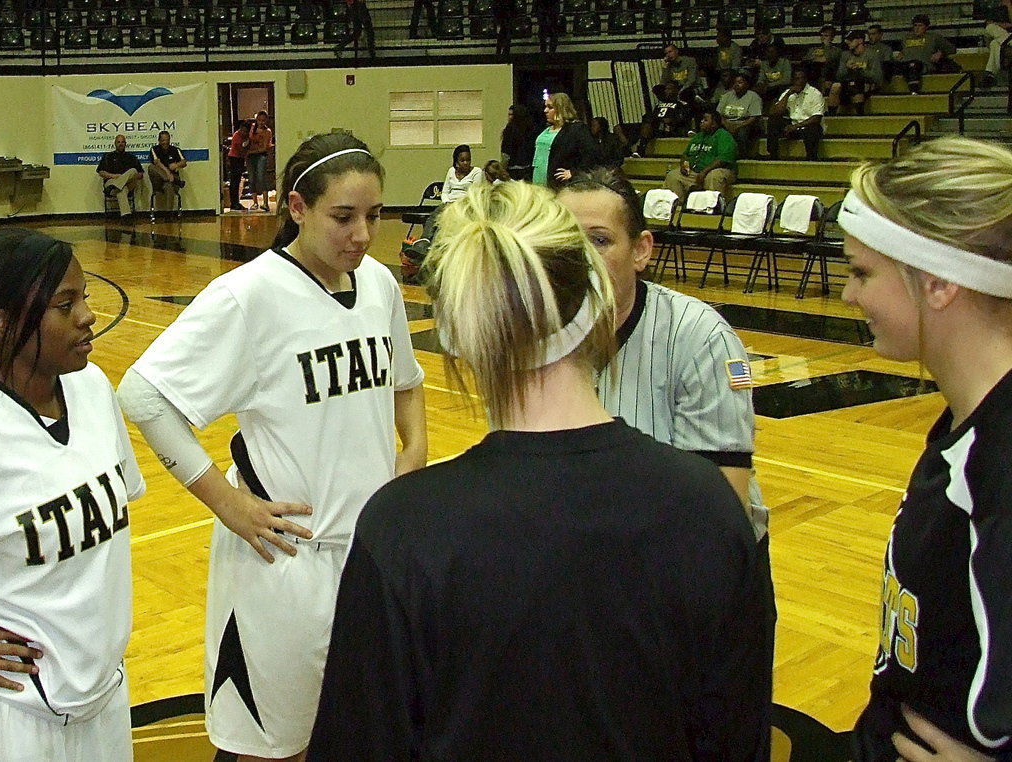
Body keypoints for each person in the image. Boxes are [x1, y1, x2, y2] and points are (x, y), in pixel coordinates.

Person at [307, 179, 773, 761]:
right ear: (595, 300)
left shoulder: (403, 528)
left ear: (464, 339)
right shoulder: (708, 509)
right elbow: (735, 739)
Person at [118, 132, 427, 762]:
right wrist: (226, 503)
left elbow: (408, 382)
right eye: (344, 217)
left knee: (352, 738)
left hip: (367, 559)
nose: (363, 235)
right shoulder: (249, 296)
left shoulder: (378, 287)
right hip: (284, 564)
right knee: (263, 748)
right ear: (296, 209)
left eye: (373, 216)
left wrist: (414, 452)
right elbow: (144, 396)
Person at [0, 228, 145, 761]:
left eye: (85, 296)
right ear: (2, 324)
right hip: (11, 718)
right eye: (65, 304)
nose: (88, 315)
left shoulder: (92, 390)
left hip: (106, 701)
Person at [841, 136, 1012, 761]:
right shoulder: (967, 421)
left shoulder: (1003, 459)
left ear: (940, 281)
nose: (847, 295)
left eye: (862, 273)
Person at [558, 168, 773, 543]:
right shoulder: (537, 337)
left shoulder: (700, 337)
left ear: (641, 249)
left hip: (694, 560)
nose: (582, 258)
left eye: (599, 240)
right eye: (566, 241)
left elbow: (722, 506)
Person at [663, 109, 737, 199]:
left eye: (705, 120)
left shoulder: (724, 136)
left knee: (713, 176)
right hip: (696, 172)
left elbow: (723, 160)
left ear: (714, 124)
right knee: (673, 176)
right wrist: (684, 166)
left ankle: (713, 207)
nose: (701, 121)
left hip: (719, 171)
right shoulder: (698, 136)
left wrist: (704, 172)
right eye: (702, 119)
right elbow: (685, 155)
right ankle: (677, 206)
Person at [533, 91, 598, 189]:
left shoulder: (576, 129)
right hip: (538, 179)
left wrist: (574, 172)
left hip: (557, 183)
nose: (545, 111)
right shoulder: (547, 129)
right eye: (545, 107)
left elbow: (592, 153)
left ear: (561, 109)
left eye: (550, 107)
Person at [767, 69, 825, 160]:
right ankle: (773, 155)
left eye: (801, 78)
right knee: (773, 121)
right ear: (792, 81)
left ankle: (811, 159)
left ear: (806, 79)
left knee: (812, 130)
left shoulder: (815, 94)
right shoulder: (789, 92)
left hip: (809, 126)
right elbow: (775, 112)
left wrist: (797, 126)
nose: (799, 81)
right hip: (793, 126)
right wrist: (787, 95)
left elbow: (816, 118)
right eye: (796, 79)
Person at [893, 15, 959, 94]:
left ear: (926, 27)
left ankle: (914, 91)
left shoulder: (933, 37)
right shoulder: (906, 38)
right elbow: (904, 51)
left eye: (920, 25)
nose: (917, 28)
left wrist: (941, 53)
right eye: (915, 25)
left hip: (923, 66)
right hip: (906, 65)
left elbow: (951, 48)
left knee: (914, 65)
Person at [829, 30, 885, 115]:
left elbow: (877, 77)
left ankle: (860, 114)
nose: (847, 42)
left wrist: (859, 70)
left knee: (856, 84)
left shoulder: (872, 54)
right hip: (847, 84)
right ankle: (831, 116)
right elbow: (839, 76)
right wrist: (847, 68)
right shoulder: (845, 55)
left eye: (851, 40)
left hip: (866, 84)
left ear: (860, 40)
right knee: (835, 86)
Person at [631, 80, 692, 158]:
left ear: (676, 90)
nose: (667, 91)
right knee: (647, 119)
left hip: (669, 128)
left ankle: (641, 149)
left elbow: (683, 119)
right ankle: (635, 147)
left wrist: (671, 120)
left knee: (649, 124)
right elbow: (654, 115)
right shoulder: (659, 104)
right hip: (657, 126)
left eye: (670, 89)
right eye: (666, 89)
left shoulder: (681, 104)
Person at [96, 134, 143, 219]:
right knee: (122, 189)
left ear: (125, 143)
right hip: (111, 181)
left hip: (127, 184)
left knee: (133, 170)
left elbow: (140, 174)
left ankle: (116, 185)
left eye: (123, 142)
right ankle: (126, 215)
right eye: (118, 142)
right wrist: (114, 176)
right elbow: (101, 172)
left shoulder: (131, 157)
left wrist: (127, 177)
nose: (121, 144)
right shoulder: (108, 156)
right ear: (115, 143)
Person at [718, 71, 764, 156]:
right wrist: (726, 125)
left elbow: (754, 117)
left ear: (747, 84)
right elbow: (719, 114)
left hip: (746, 124)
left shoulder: (754, 97)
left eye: (740, 82)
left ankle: (743, 156)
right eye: (735, 83)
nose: (736, 85)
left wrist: (738, 126)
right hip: (727, 124)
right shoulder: (727, 96)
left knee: (742, 132)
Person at [149, 130, 188, 214]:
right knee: (151, 167)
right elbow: (157, 162)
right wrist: (168, 173)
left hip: (170, 181)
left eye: (167, 140)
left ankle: (168, 214)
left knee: (169, 186)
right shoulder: (154, 149)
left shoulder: (175, 150)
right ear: (159, 141)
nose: (165, 142)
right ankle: (176, 181)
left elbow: (184, 162)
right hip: (158, 180)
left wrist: (176, 165)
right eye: (163, 140)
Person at [500, 103, 536, 181]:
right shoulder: (530, 130)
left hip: (513, 170)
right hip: (527, 169)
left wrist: (502, 169)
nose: (509, 117)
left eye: (511, 114)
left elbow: (506, 153)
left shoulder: (510, 129)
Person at [247, 111, 274, 212]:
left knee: (261, 177)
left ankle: (265, 203)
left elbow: (265, 148)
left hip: (260, 156)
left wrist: (253, 151)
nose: (261, 122)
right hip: (250, 157)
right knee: (251, 178)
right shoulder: (252, 128)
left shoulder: (268, 132)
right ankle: (255, 202)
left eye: (263, 120)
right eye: (259, 120)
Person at [980, 0, 1011, 86]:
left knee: (994, 41)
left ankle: (990, 73)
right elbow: (989, 22)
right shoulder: (997, 5)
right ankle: (1006, 42)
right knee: (993, 39)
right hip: (1005, 37)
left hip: (1008, 35)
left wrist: (1009, 6)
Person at [804, 24, 843, 90]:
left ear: (832, 37)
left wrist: (826, 46)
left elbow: (829, 59)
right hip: (815, 76)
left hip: (830, 76)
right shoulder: (814, 49)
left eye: (826, 36)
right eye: (821, 35)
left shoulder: (837, 50)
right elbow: (806, 59)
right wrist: (815, 59)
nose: (823, 37)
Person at [226, 119, 250, 212]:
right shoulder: (237, 136)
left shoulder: (246, 136)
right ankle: (234, 203)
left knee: (237, 180)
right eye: (242, 130)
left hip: (240, 159)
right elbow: (240, 150)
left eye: (245, 131)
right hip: (234, 158)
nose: (243, 132)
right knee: (234, 182)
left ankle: (236, 202)